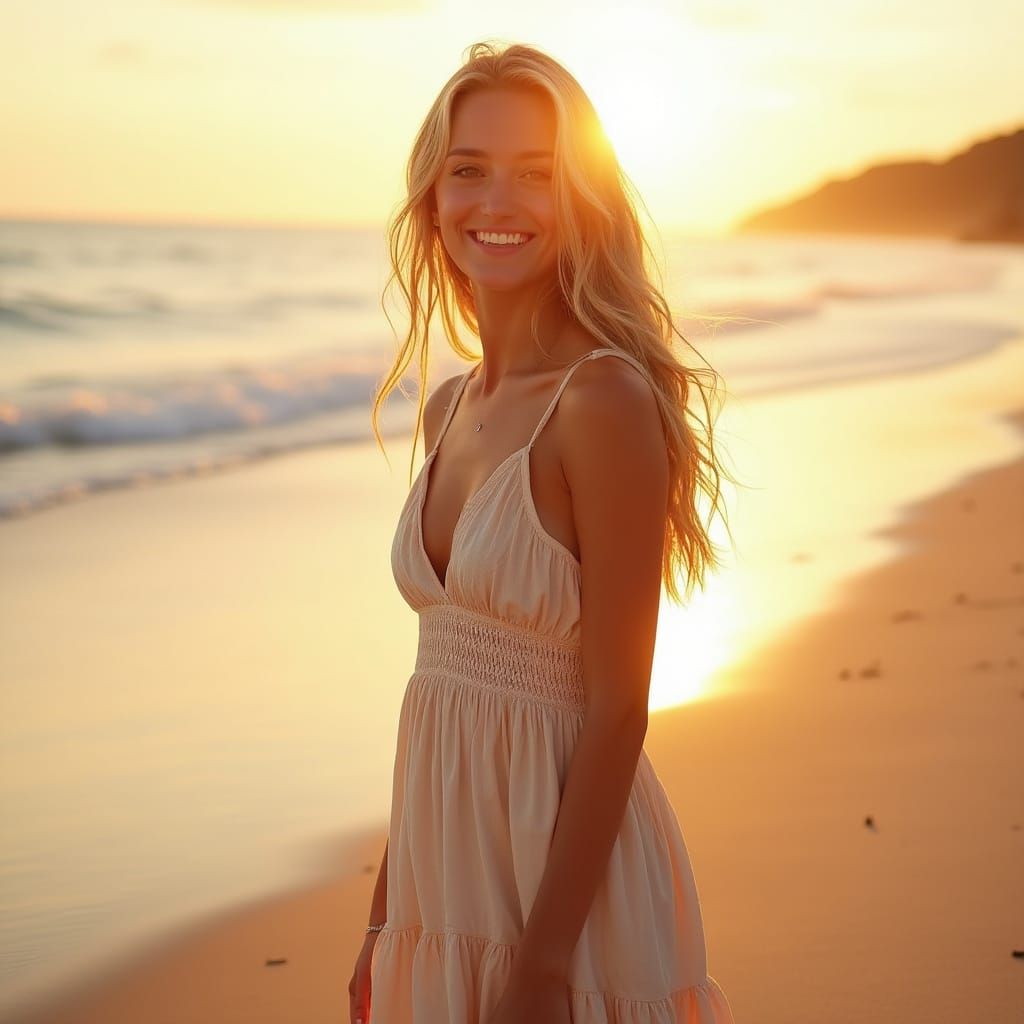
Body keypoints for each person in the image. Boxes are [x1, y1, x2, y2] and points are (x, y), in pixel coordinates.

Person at [351, 39, 739, 1024]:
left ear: (581, 201)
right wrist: (381, 917)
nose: (497, 202)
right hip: (443, 894)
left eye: (536, 175)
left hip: (564, 904)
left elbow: (616, 711)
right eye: (468, 171)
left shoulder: (600, 399)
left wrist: (540, 965)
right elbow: (442, 689)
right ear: (434, 202)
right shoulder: (448, 409)